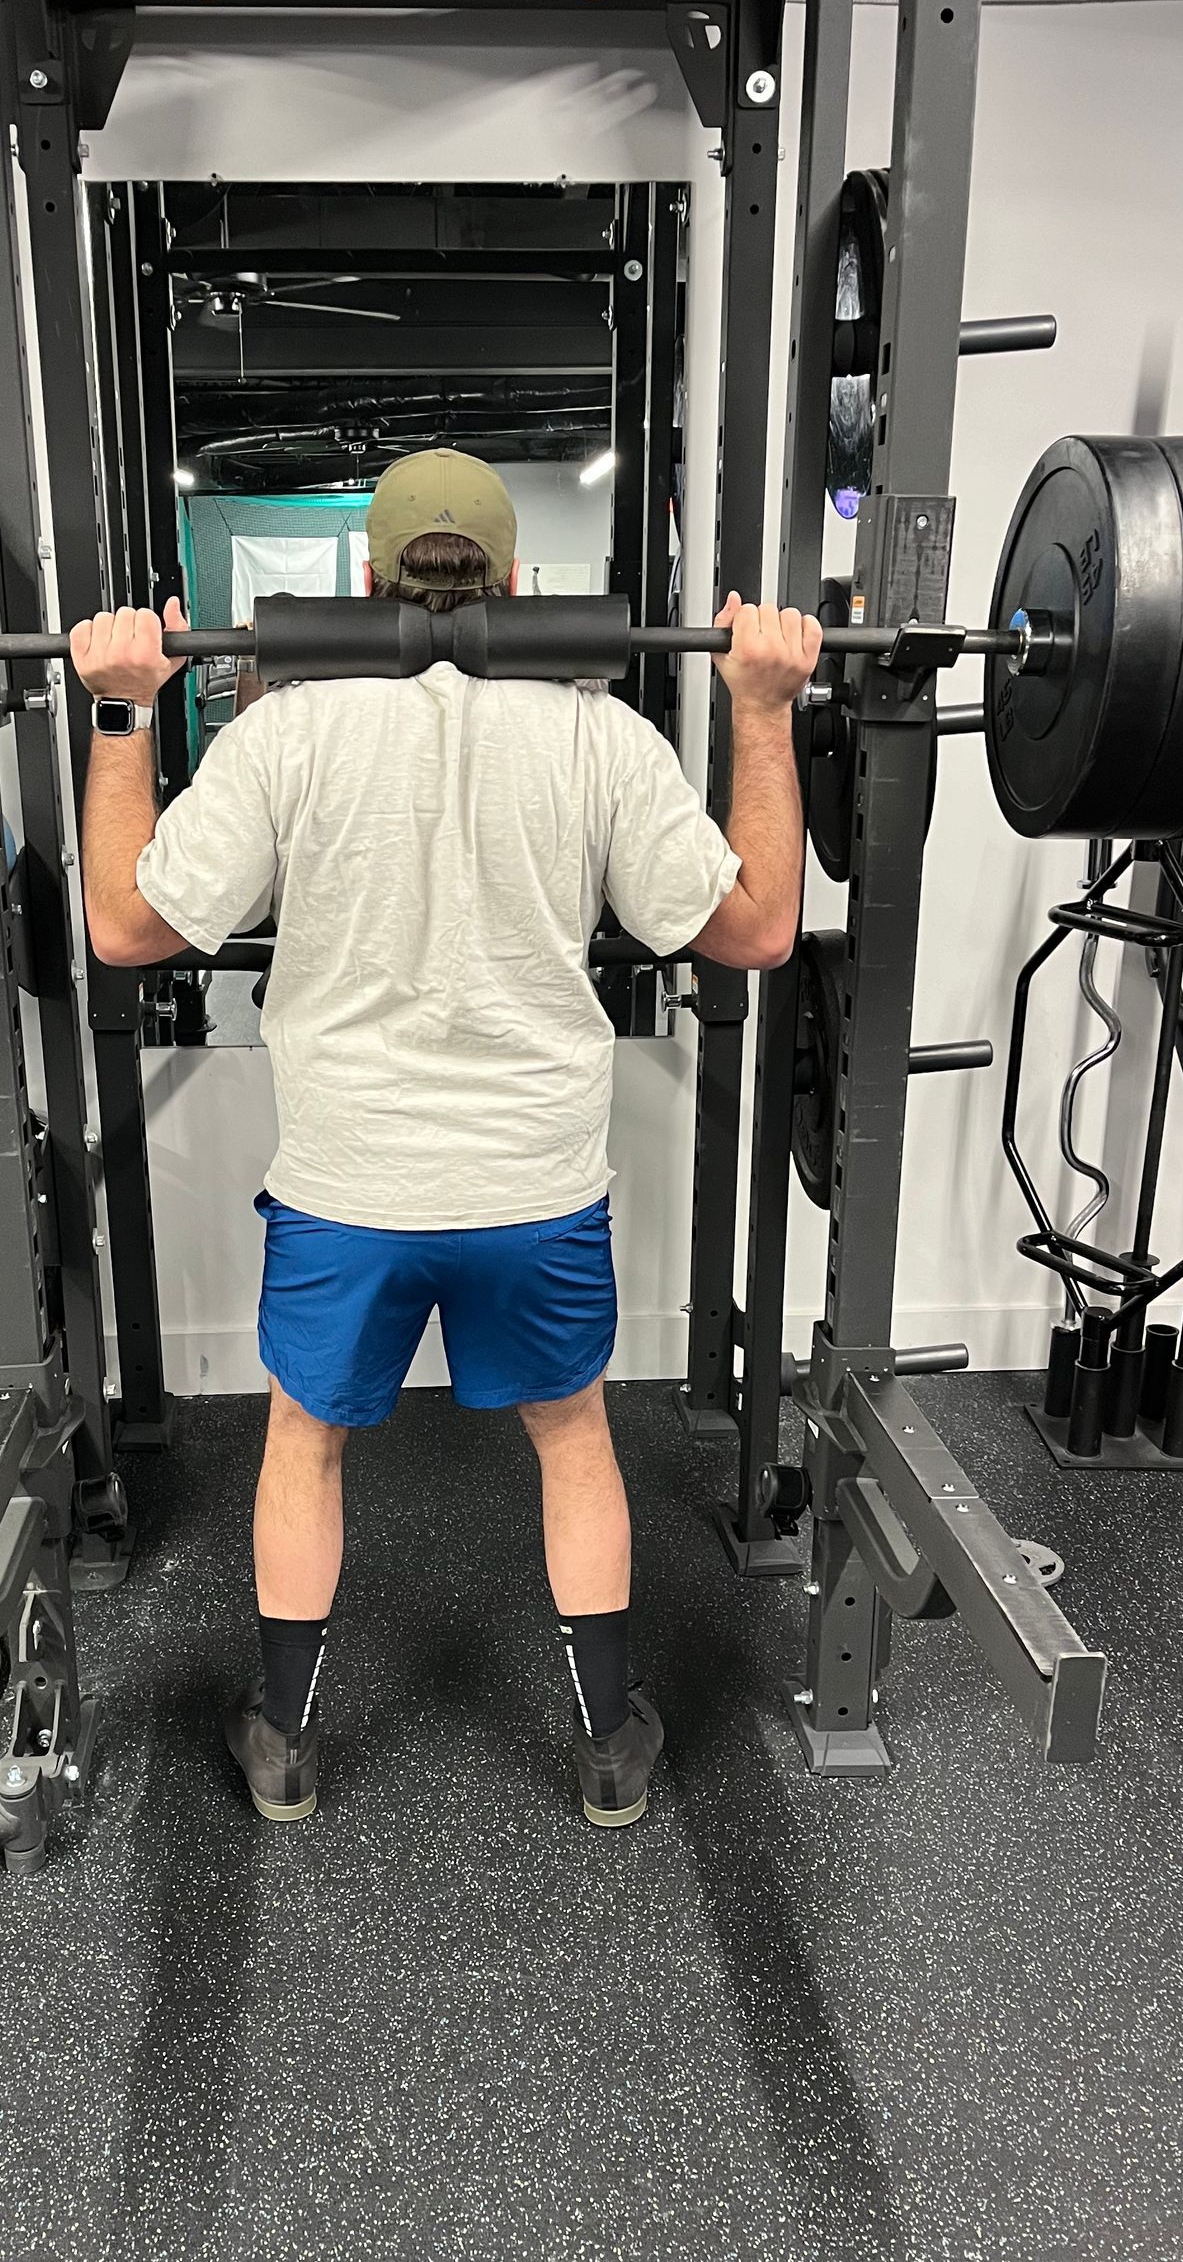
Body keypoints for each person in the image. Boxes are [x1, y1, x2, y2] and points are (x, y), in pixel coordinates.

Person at [70, 448, 817, 1829]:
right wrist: (763, 709)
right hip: (532, 1187)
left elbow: (124, 929)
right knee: (574, 1435)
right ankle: (606, 1750)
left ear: (367, 579)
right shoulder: (600, 736)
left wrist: (123, 719)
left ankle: (284, 1743)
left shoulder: (283, 736)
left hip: (349, 1189)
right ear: (517, 580)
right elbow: (761, 927)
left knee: (304, 1440)